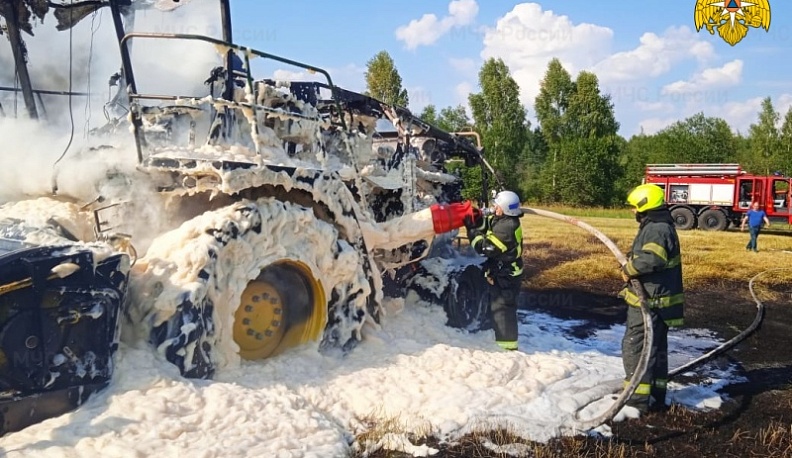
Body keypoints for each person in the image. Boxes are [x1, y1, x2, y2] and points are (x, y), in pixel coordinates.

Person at [619, 183, 685, 413]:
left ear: (644, 206)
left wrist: (629, 268)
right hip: (657, 299)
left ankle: (636, 400)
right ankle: (656, 395)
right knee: (655, 348)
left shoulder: (657, 228)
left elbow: (652, 259)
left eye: (634, 207)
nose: (632, 211)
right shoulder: (658, 225)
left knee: (636, 347)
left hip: (650, 300)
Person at [463, 190, 524, 351]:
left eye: (496, 205)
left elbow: (485, 249)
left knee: (504, 309)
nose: (493, 208)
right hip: (501, 271)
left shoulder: (507, 228)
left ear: (503, 209)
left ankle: (507, 347)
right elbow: (487, 223)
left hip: (507, 275)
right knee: (496, 305)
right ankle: (497, 337)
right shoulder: (502, 220)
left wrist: (471, 231)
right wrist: (475, 219)